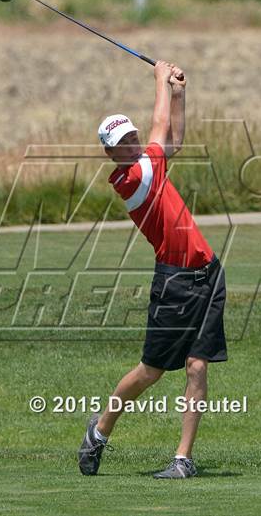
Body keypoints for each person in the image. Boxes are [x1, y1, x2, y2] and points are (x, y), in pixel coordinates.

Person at [78, 61, 227, 479]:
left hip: (208, 271)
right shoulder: (134, 177)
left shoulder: (150, 161)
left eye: (133, 136)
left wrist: (179, 94)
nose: (134, 141)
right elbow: (161, 128)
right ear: (111, 153)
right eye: (124, 141)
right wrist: (159, 78)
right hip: (175, 281)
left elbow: (172, 139)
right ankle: (100, 428)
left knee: (198, 366)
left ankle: (183, 459)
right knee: (152, 371)